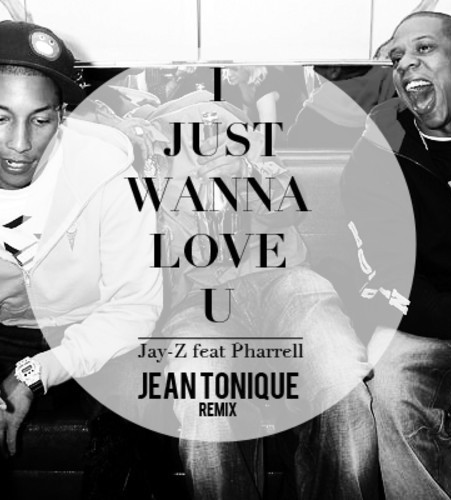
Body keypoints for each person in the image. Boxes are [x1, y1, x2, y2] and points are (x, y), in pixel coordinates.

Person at [85, 85, 379, 498]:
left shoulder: (209, 120)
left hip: (282, 278)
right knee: (204, 402)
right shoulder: (98, 186)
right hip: (195, 304)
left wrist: (246, 178)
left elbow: (288, 205)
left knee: (342, 384)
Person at [0, 20, 162, 498]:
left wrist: (34, 375)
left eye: (41, 120)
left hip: (91, 331)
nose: (20, 143)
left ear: (61, 114)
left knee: (134, 416)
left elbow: (133, 307)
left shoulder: (110, 175)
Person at [342, 11, 451, 499]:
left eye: (424, 48)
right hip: (429, 321)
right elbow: (384, 273)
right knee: (392, 385)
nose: (406, 63)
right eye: (397, 57)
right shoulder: (380, 149)